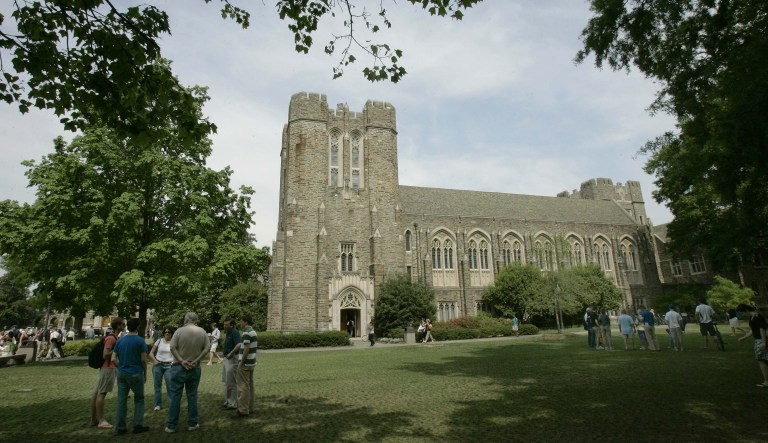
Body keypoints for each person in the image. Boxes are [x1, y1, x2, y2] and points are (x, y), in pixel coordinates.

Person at [166, 312, 210, 433]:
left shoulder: (179, 331)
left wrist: (181, 360)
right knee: (192, 395)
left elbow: (172, 347)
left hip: (178, 367)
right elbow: (207, 348)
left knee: (175, 396)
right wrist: (196, 360)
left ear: (186, 319)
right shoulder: (202, 332)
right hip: (194, 367)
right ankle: (192, 423)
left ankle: (171, 425)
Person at [111, 317, 149, 435]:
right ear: (137, 327)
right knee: (139, 399)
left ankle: (120, 427)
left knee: (121, 400)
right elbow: (143, 359)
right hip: (136, 372)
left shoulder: (120, 341)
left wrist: (121, 366)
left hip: (122, 374)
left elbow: (113, 359)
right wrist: (145, 372)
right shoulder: (140, 341)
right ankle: (138, 425)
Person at [90, 317, 124, 430]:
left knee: (97, 392)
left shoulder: (114, 337)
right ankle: (101, 420)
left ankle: (94, 419)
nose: (124, 326)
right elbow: (106, 354)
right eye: (123, 324)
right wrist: (117, 350)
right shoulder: (111, 338)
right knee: (102, 393)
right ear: (118, 326)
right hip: (108, 367)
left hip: (106, 367)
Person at [736, 304, 768, 388]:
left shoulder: (757, 316)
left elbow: (762, 329)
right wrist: (744, 337)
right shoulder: (751, 317)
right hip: (758, 340)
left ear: (746, 310)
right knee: (761, 360)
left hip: (762, 340)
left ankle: (766, 381)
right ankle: (766, 381)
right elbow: (753, 330)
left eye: (742, 313)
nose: (742, 315)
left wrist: (764, 342)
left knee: (762, 360)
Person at [149, 326, 176, 411]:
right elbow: (151, 353)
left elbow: (177, 354)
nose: (167, 333)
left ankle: (172, 404)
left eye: (169, 332)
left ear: (172, 333)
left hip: (169, 366)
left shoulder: (174, 342)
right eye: (165, 332)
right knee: (157, 386)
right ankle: (157, 405)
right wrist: (155, 361)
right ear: (163, 333)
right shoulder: (159, 340)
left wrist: (174, 362)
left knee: (170, 386)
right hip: (158, 366)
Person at [235, 315, 257, 418]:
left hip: (245, 363)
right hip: (252, 363)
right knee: (249, 386)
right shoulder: (253, 331)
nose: (240, 323)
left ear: (246, 322)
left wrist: (241, 363)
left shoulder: (246, 332)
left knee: (242, 386)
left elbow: (246, 348)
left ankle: (243, 410)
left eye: (241, 321)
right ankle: (250, 407)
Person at [220, 319, 241, 410]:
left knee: (231, 382)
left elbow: (239, 344)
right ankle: (227, 401)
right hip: (226, 359)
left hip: (232, 359)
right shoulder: (228, 332)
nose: (224, 326)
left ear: (231, 325)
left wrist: (231, 353)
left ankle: (232, 403)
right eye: (224, 324)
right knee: (225, 381)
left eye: (226, 325)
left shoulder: (235, 332)